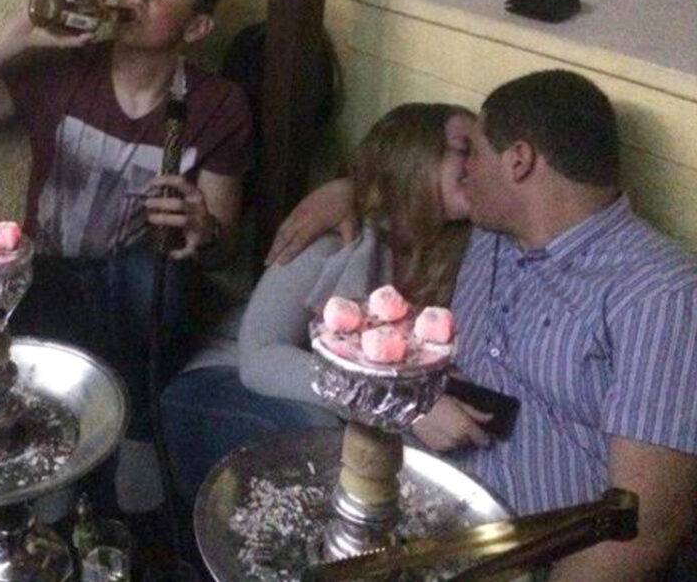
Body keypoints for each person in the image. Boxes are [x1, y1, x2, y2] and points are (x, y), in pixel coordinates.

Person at [266, 70, 697, 581]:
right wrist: (345, 192)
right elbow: (406, 185)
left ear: (519, 161)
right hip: (422, 525)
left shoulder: (659, 294)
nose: (465, 170)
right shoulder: (490, 234)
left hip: (538, 562)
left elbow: (645, 526)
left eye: (473, 152)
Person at [0, 0, 252, 513]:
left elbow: (223, 248)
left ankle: (136, 432)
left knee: (153, 274)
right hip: (51, 276)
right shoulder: (63, 70)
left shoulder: (216, 103)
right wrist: (12, 36)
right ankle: (46, 450)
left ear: (196, 27)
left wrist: (201, 229)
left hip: (140, 294)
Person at [161, 103, 475, 502]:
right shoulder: (334, 237)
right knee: (331, 446)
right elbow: (260, 361)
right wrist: (399, 405)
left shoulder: (455, 254)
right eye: (464, 149)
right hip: (222, 381)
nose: (478, 164)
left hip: (339, 408)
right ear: (414, 154)